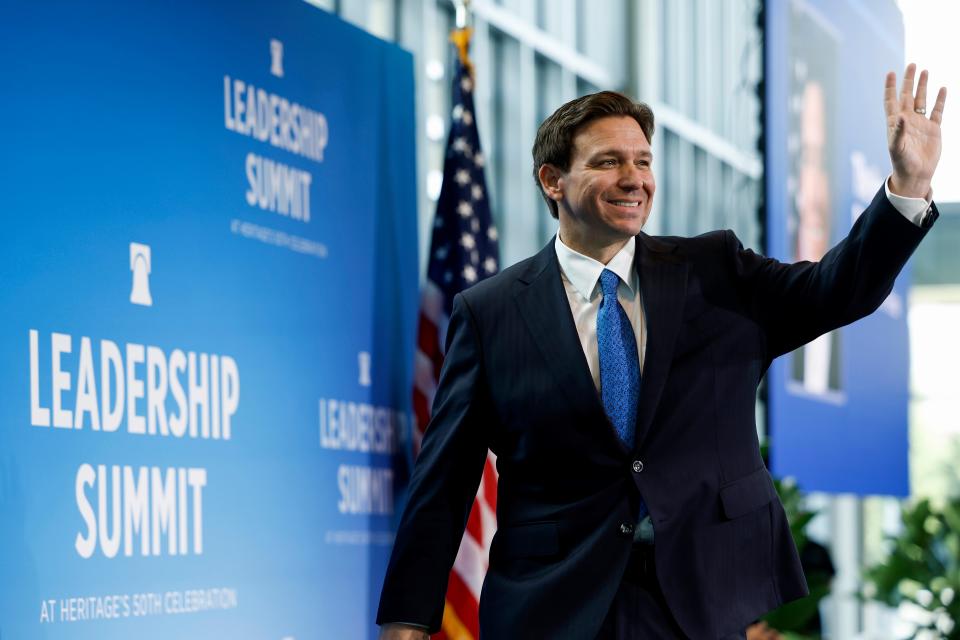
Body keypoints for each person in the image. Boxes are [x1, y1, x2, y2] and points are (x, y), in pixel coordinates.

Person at [376, 65, 946, 639]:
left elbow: (835, 290)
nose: (634, 178)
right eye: (608, 162)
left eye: (643, 161)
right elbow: (444, 482)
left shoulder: (717, 271)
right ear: (552, 180)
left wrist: (907, 188)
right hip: (555, 606)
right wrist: (407, 620)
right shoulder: (490, 312)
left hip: (701, 600)